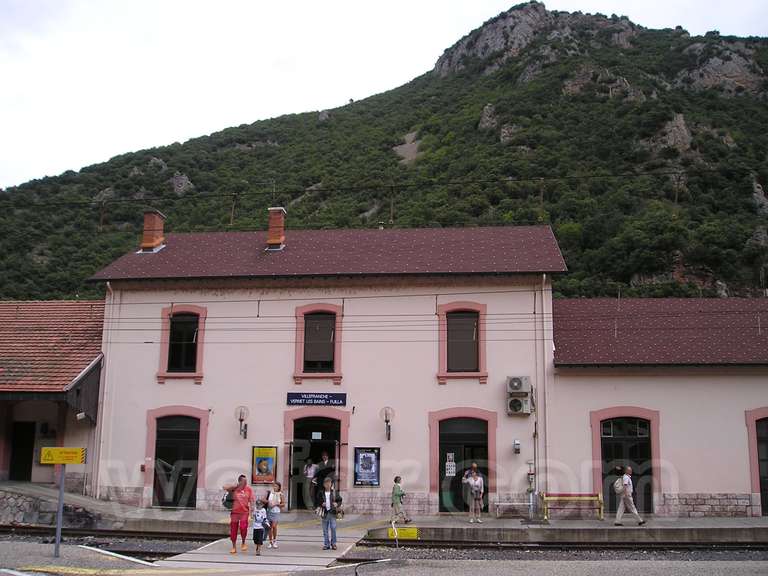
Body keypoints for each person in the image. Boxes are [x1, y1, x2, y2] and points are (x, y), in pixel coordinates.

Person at [223, 474, 254, 554]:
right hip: (235, 513)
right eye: (244, 481)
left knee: (243, 528)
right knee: (233, 530)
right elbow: (224, 487)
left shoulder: (248, 489)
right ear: (240, 481)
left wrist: (251, 513)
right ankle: (233, 547)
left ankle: (243, 543)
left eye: (246, 481)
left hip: (244, 512)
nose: (246, 482)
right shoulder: (234, 489)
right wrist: (235, 486)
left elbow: (251, 501)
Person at [315, 476, 343, 550]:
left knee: (333, 528)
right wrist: (321, 504)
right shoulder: (321, 493)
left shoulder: (334, 492)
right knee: (325, 529)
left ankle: (333, 543)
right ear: (324, 484)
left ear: (331, 484)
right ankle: (326, 544)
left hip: (332, 512)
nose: (328, 484)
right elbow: (316, 502)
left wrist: (337, 504)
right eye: (326, 483)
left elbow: (340, 500)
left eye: (329, 483)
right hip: (324, 513)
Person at [265, 481, 285, 548]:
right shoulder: (270, 493)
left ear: (279, 487)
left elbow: (283, 504)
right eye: (274, 486)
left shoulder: (280, 494)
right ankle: (270, 542)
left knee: (274, 526)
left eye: (276, 486)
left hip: (276, 512)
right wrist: (269, 502)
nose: (274, 487)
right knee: (269, 527)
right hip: (269, 511)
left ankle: (275, 541)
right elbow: (264, 500)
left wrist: (276, 504)